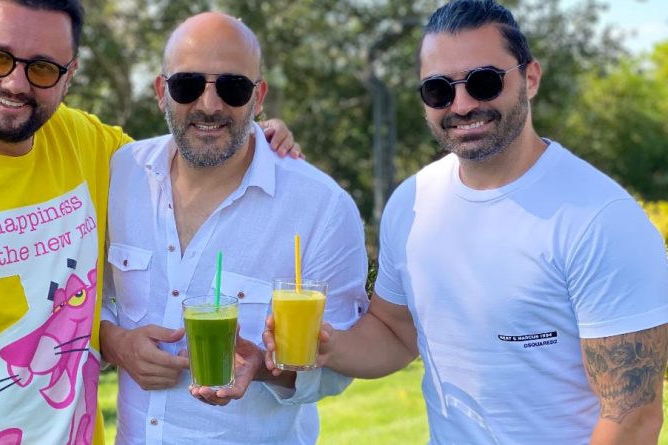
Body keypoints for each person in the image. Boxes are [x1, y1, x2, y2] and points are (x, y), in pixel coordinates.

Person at [0, 1, 298, 444]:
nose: (15, 83)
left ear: (69, 75)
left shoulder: (86, 142)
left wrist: (251, 137)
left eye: (42, 68)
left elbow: (183, 160)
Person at [265, 1, 668, 444]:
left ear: (530, 78)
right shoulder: (412, 204)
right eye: (438, 89)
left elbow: (633, 417)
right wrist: (329, 345)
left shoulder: (600, 219)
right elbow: (395, 333)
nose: (462, 104)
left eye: (484, 81)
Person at [98, 12, 368, 445]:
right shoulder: (121, 173)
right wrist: (115, 343)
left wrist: (265, 368)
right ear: (161, 92)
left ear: (258, 97)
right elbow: (84, 295)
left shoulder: (322, 207)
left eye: (233, 87)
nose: (209, 105)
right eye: (187, 85)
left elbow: (340, 366)